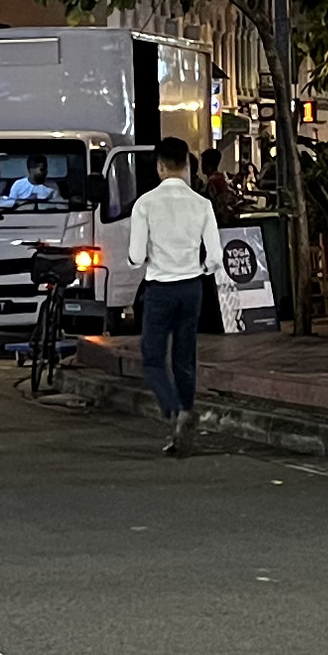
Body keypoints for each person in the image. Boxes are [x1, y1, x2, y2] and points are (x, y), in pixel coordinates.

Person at [126, 136, 220, 457]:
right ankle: (186, 414)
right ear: (187, 166)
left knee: (152, 358)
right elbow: (216, 258)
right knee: (184, 358)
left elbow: (137, 256)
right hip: (192, 287)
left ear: (161, 166)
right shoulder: (202, 204)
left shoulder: (145, 204)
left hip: (161, 289)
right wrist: (200, 267)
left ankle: (174, 410)